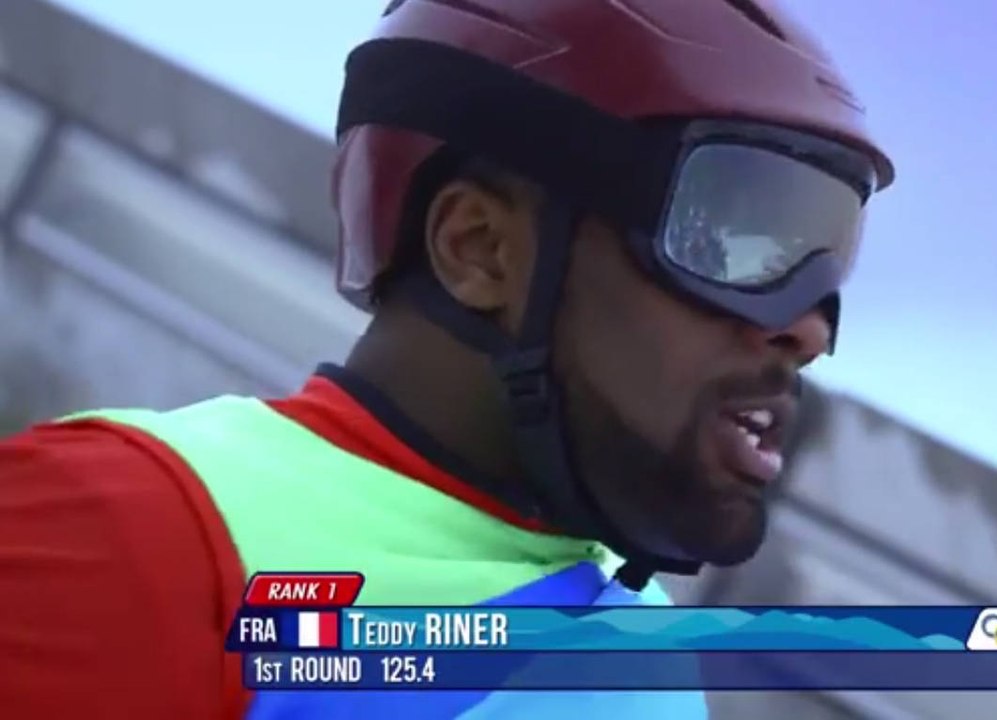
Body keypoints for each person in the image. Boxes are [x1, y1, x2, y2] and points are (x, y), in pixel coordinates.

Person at [0, 0, 894, 717]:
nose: (806, 326)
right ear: (478, 248)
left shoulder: (640, 646)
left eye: (829, 260)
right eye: (726, 241)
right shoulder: (133, 522)